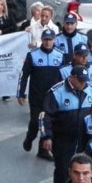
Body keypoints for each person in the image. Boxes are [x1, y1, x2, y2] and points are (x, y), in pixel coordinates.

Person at [41, 66, 92, 183]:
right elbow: (45, 116)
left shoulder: (90, 91)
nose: (83, 84)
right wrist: (46, 137)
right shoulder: (56, 92)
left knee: (82, 172)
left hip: (83, 140)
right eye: (80, 81)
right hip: (62, 140)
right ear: (71, 78)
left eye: (85, 81)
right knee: (63, 171)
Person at [17, 29, 65, 158]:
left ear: (54, 40)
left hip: (53, 97)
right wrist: (20, 93)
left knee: (49, 123)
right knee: (35, 122)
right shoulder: (33, 55)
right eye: (45, 39)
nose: (48, 42)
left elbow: (65, 76)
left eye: (50, 39)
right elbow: (24, 75)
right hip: (36, 96)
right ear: (42, 40)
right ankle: (29, 137)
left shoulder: (60, 55)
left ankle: (42, 150)